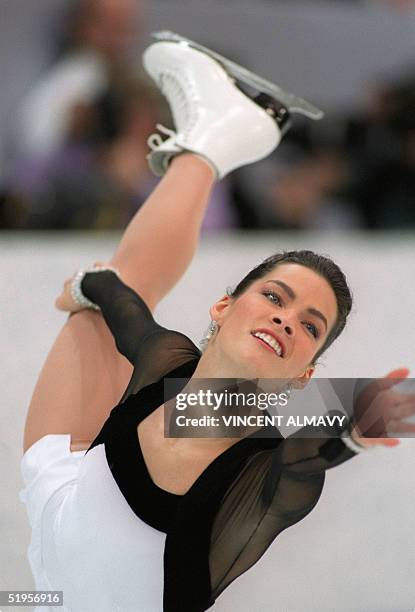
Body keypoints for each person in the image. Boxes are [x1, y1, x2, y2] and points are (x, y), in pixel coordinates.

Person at [19, 38, 413, 612]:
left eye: (309, 325)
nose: (284, 319)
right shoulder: (170, 366)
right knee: (117, 287)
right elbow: (124, 304)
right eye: (274, 297)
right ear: (224, 307)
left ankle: (217, 134)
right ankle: (212, 141)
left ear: (305, 371)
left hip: (44, 595)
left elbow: (313, 448)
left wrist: (364, 424)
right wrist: (88, 286)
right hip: (59, 497)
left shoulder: (259, 468)